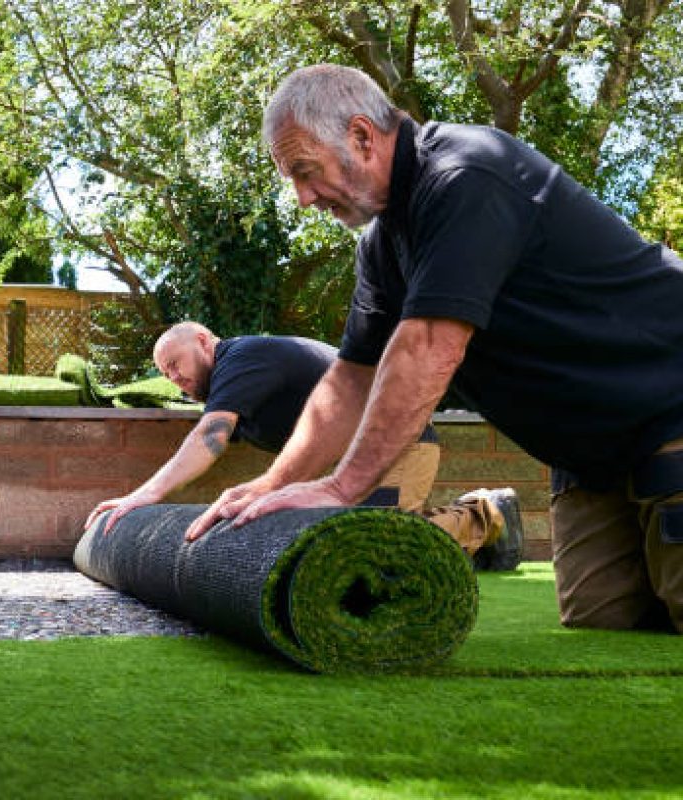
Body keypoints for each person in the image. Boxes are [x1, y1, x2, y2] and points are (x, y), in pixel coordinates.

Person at [186, 64, 683, 633]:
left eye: (305, 171)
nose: (301, 198)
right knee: (604, 626)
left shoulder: (466, 175)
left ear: (361, 136)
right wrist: (273, 486)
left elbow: (427, 345)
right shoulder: (381, 244)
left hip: (668, 401)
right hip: (590, 457)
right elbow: (350, 379)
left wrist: (343, 487)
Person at [86, 321, 523, 570]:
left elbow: (209, 439)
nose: (174, 379)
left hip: (399, 441)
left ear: (203, 341)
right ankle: (473, 537)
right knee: (345, 548)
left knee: (377, 543)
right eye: (166, 374)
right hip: (346, 465)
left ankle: (485, 514)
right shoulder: (239, 388)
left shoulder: (242, 359)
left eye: (175, 364)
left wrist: (145, 495)